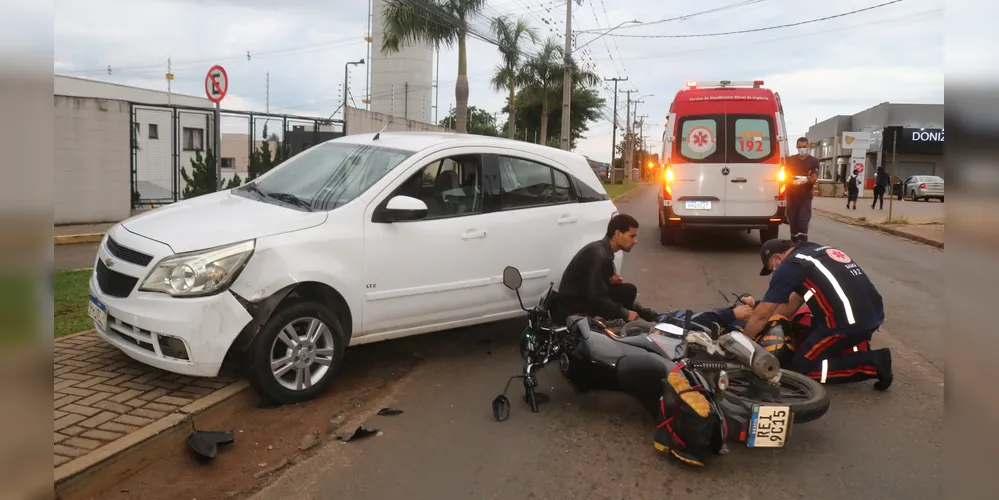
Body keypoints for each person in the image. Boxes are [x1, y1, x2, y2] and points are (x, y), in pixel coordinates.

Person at [741, 239, 893, 390]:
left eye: (772, 268)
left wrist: (745, 342)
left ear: (776, 258)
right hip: (872, 313)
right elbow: (795, 299)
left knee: (795, 372)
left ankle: (874, 363)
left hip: (844, 324)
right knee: (804, 333)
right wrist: (775, 322)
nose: (775, 271)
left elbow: (762, 314)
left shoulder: (791, 265)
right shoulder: (813, 251)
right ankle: (853, 348)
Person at [554, 214, 659, 325]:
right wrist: (624, 313)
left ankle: (639, 313)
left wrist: (609, 281)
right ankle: (620, 324)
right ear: (618, 234)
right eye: (631, 236)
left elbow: (592, 284)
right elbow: (597, 297)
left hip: (583, 298)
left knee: (628, 290)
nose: (635, 241)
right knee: (621, 299)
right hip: (574, 308)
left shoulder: (602, 250)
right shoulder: (597, 255)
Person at [785, 137, 820, 243]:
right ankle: (793, 246)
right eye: (800, 147)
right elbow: (784, 175)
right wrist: (791, 181)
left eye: (804, 147)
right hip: (791, 196)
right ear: (796, 147)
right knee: (793, 223)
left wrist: (804, 181)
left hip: (805, 197)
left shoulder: (813, 161)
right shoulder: (790, 160)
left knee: (803, 222)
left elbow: (814, 178)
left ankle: (802, 246)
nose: (802, 149)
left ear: (808, 146)